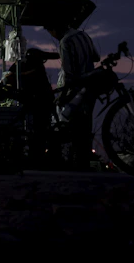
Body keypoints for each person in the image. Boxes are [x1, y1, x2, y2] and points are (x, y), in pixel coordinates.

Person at [43, 20, 100, 171]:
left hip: (75, 89)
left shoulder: (65, 41)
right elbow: (96, 57)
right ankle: (83, 162)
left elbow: (69, 74)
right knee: (86, 126)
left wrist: (62, 97)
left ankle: (66, 164)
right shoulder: (83, 35)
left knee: (68, 127)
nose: (52, 36)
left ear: (55, 29)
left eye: (51, 32)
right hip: (89, 87)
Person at [2, 47, 59, 168]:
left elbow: (7, 78)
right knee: (40, 129)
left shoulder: (23, 65)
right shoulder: (32, 67)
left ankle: (36, 156)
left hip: (36, 98)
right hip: (37, 99)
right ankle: (37, 158)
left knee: (39, 129)